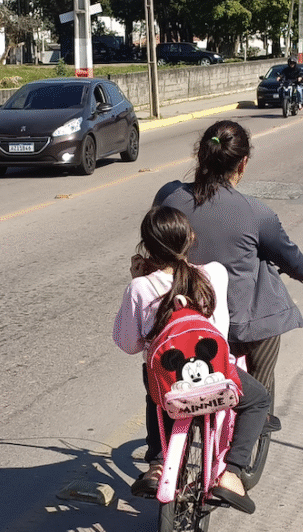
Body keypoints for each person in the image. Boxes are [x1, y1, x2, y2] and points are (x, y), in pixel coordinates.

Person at [154, 120, 303, 407]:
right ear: (242, 163)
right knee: (266, 287)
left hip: (183, 319)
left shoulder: (169, 197)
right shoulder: (256, 213)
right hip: (241, 327)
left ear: (200, 155)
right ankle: (260, 415)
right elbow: (286, 253)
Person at [113, 206, 270, 514]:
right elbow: (220, 332)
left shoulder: (140, 287)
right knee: (259, 400)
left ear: (145, 247)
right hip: (215, 377)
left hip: (168, 387)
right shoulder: (213, 273)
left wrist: (137, 279)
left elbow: (129, 345)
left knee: (153, 383)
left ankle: (157, 464)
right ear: (191, 238)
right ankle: (232, 473)